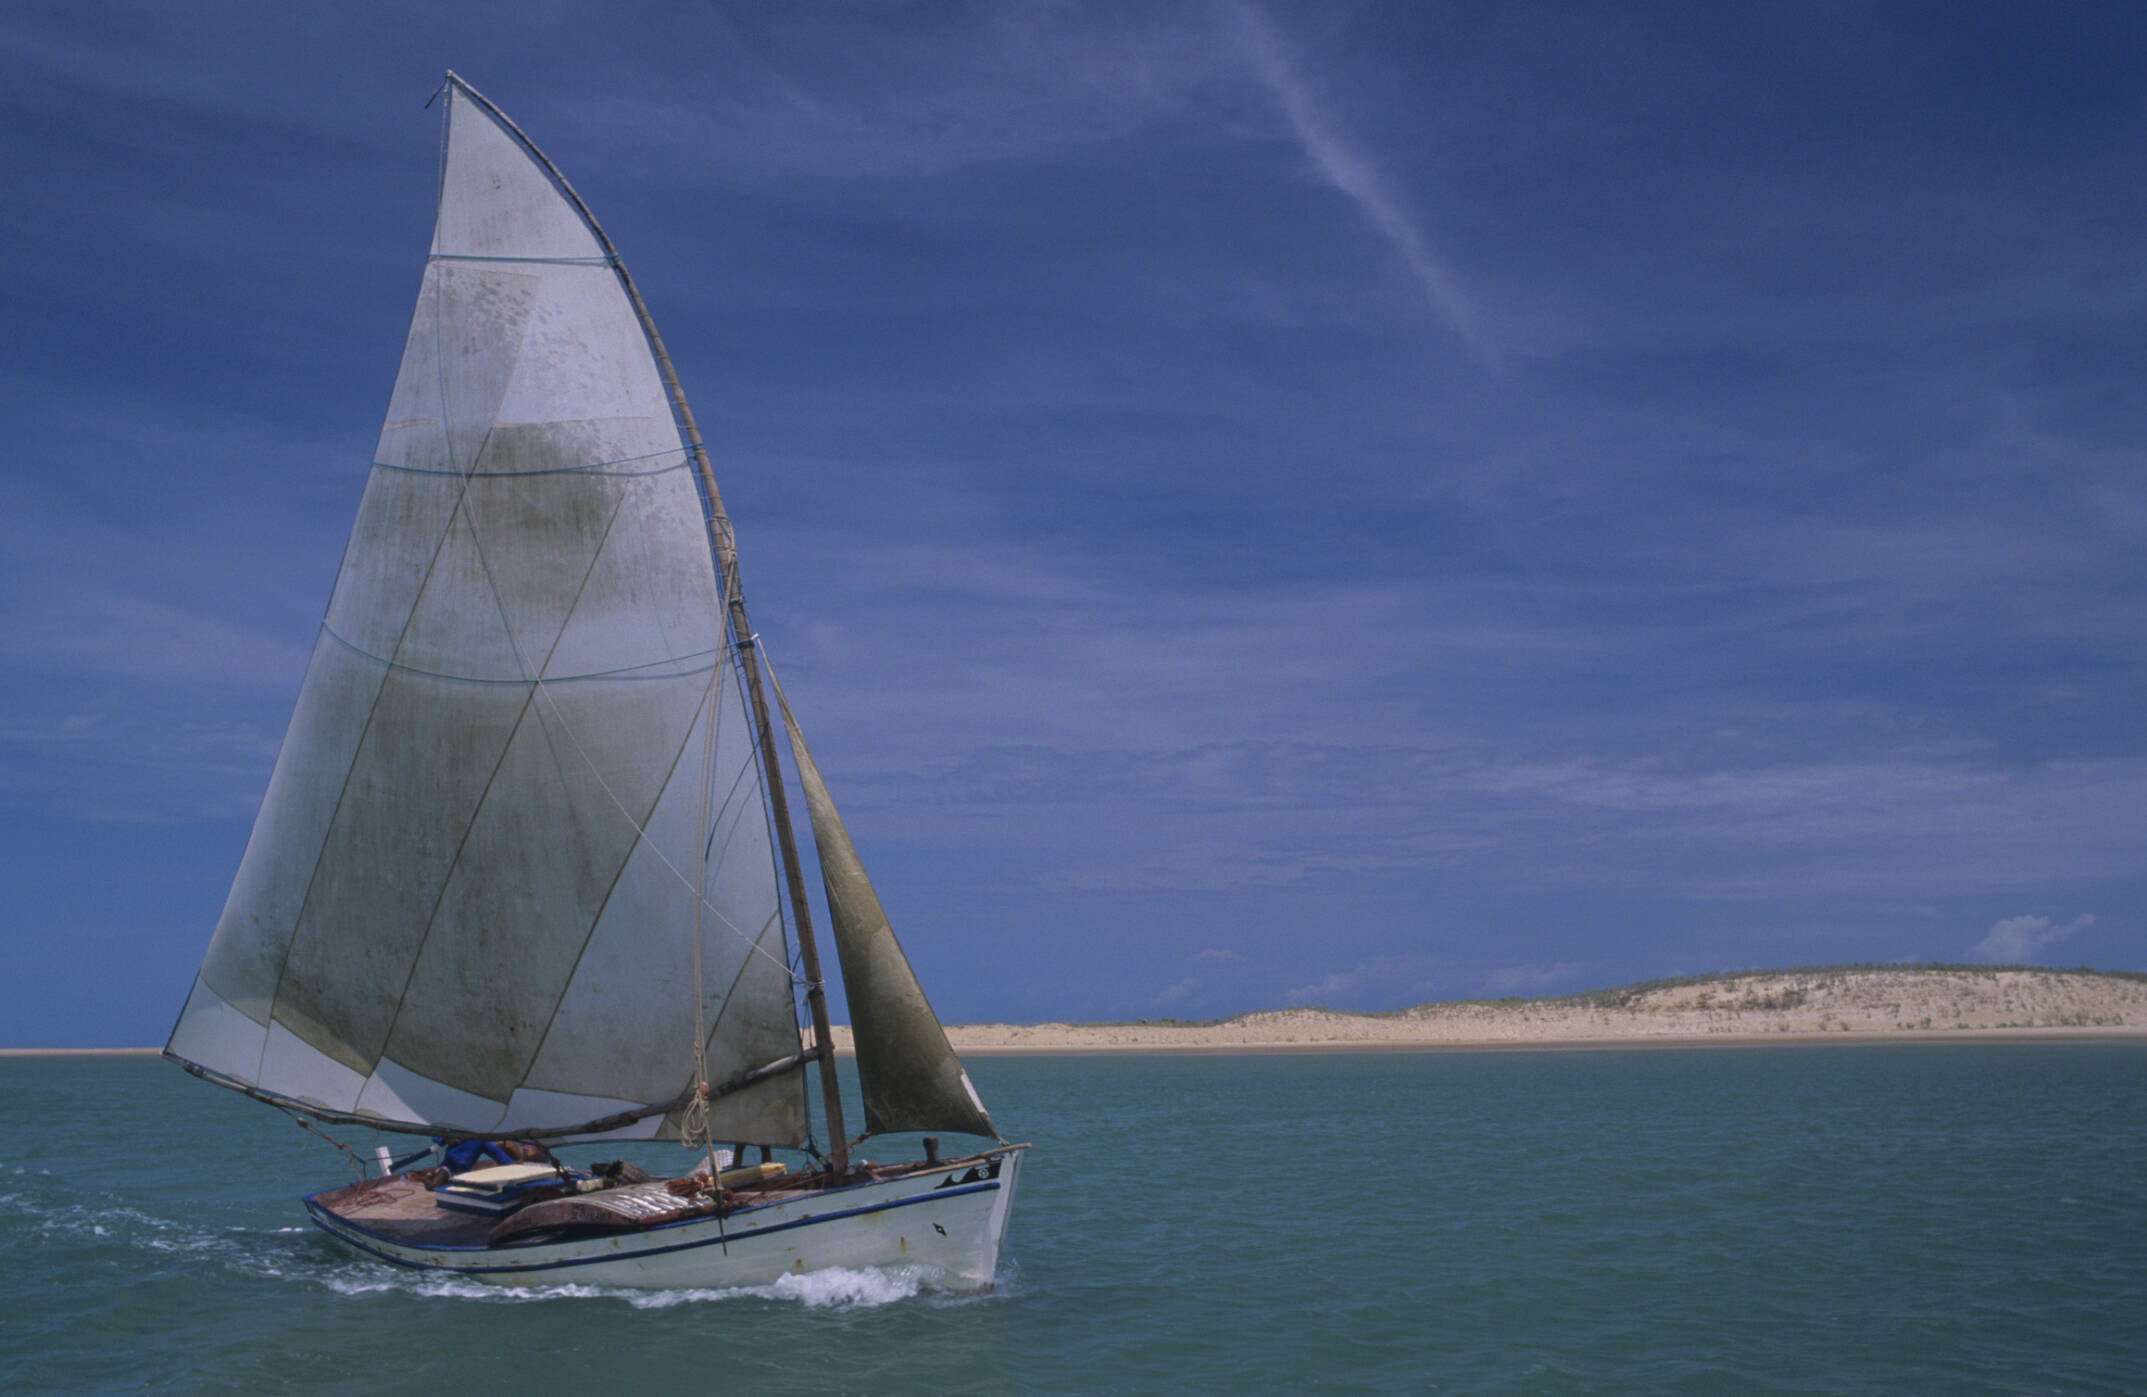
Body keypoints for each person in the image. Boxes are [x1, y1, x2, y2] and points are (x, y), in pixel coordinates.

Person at [437, 1137, 550, 1173]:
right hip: (519, 1153)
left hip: (531, 1152)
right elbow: (436, 1137)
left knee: (530, 1153)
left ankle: (516, 1163)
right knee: (501, 1143)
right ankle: (510, 1165)